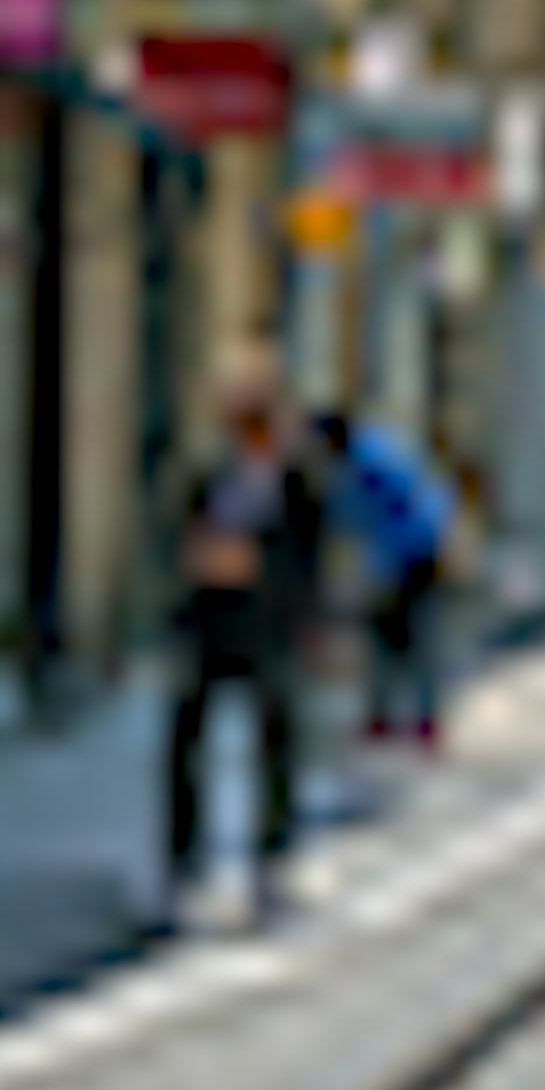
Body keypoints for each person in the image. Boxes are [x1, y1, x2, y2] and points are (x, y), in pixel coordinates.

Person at [163, 367, 327, 926]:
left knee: (276, 747)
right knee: (186, 745)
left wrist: (271, 582)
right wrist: (198, 563)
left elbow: (311, 562)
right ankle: (185, 863)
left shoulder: (301, 484)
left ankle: (272, 860)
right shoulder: (208, 478)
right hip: (209, 625)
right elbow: (179, 539)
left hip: (269, 629)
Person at [320, 410, 458, 750]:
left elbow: (369, 514)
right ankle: (395, 717)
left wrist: (379, 572)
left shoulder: (366, 463)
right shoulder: (375, 451)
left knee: (407, 639)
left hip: (411, 557)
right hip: (411, 553)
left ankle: (419, 719)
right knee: (395, 641)